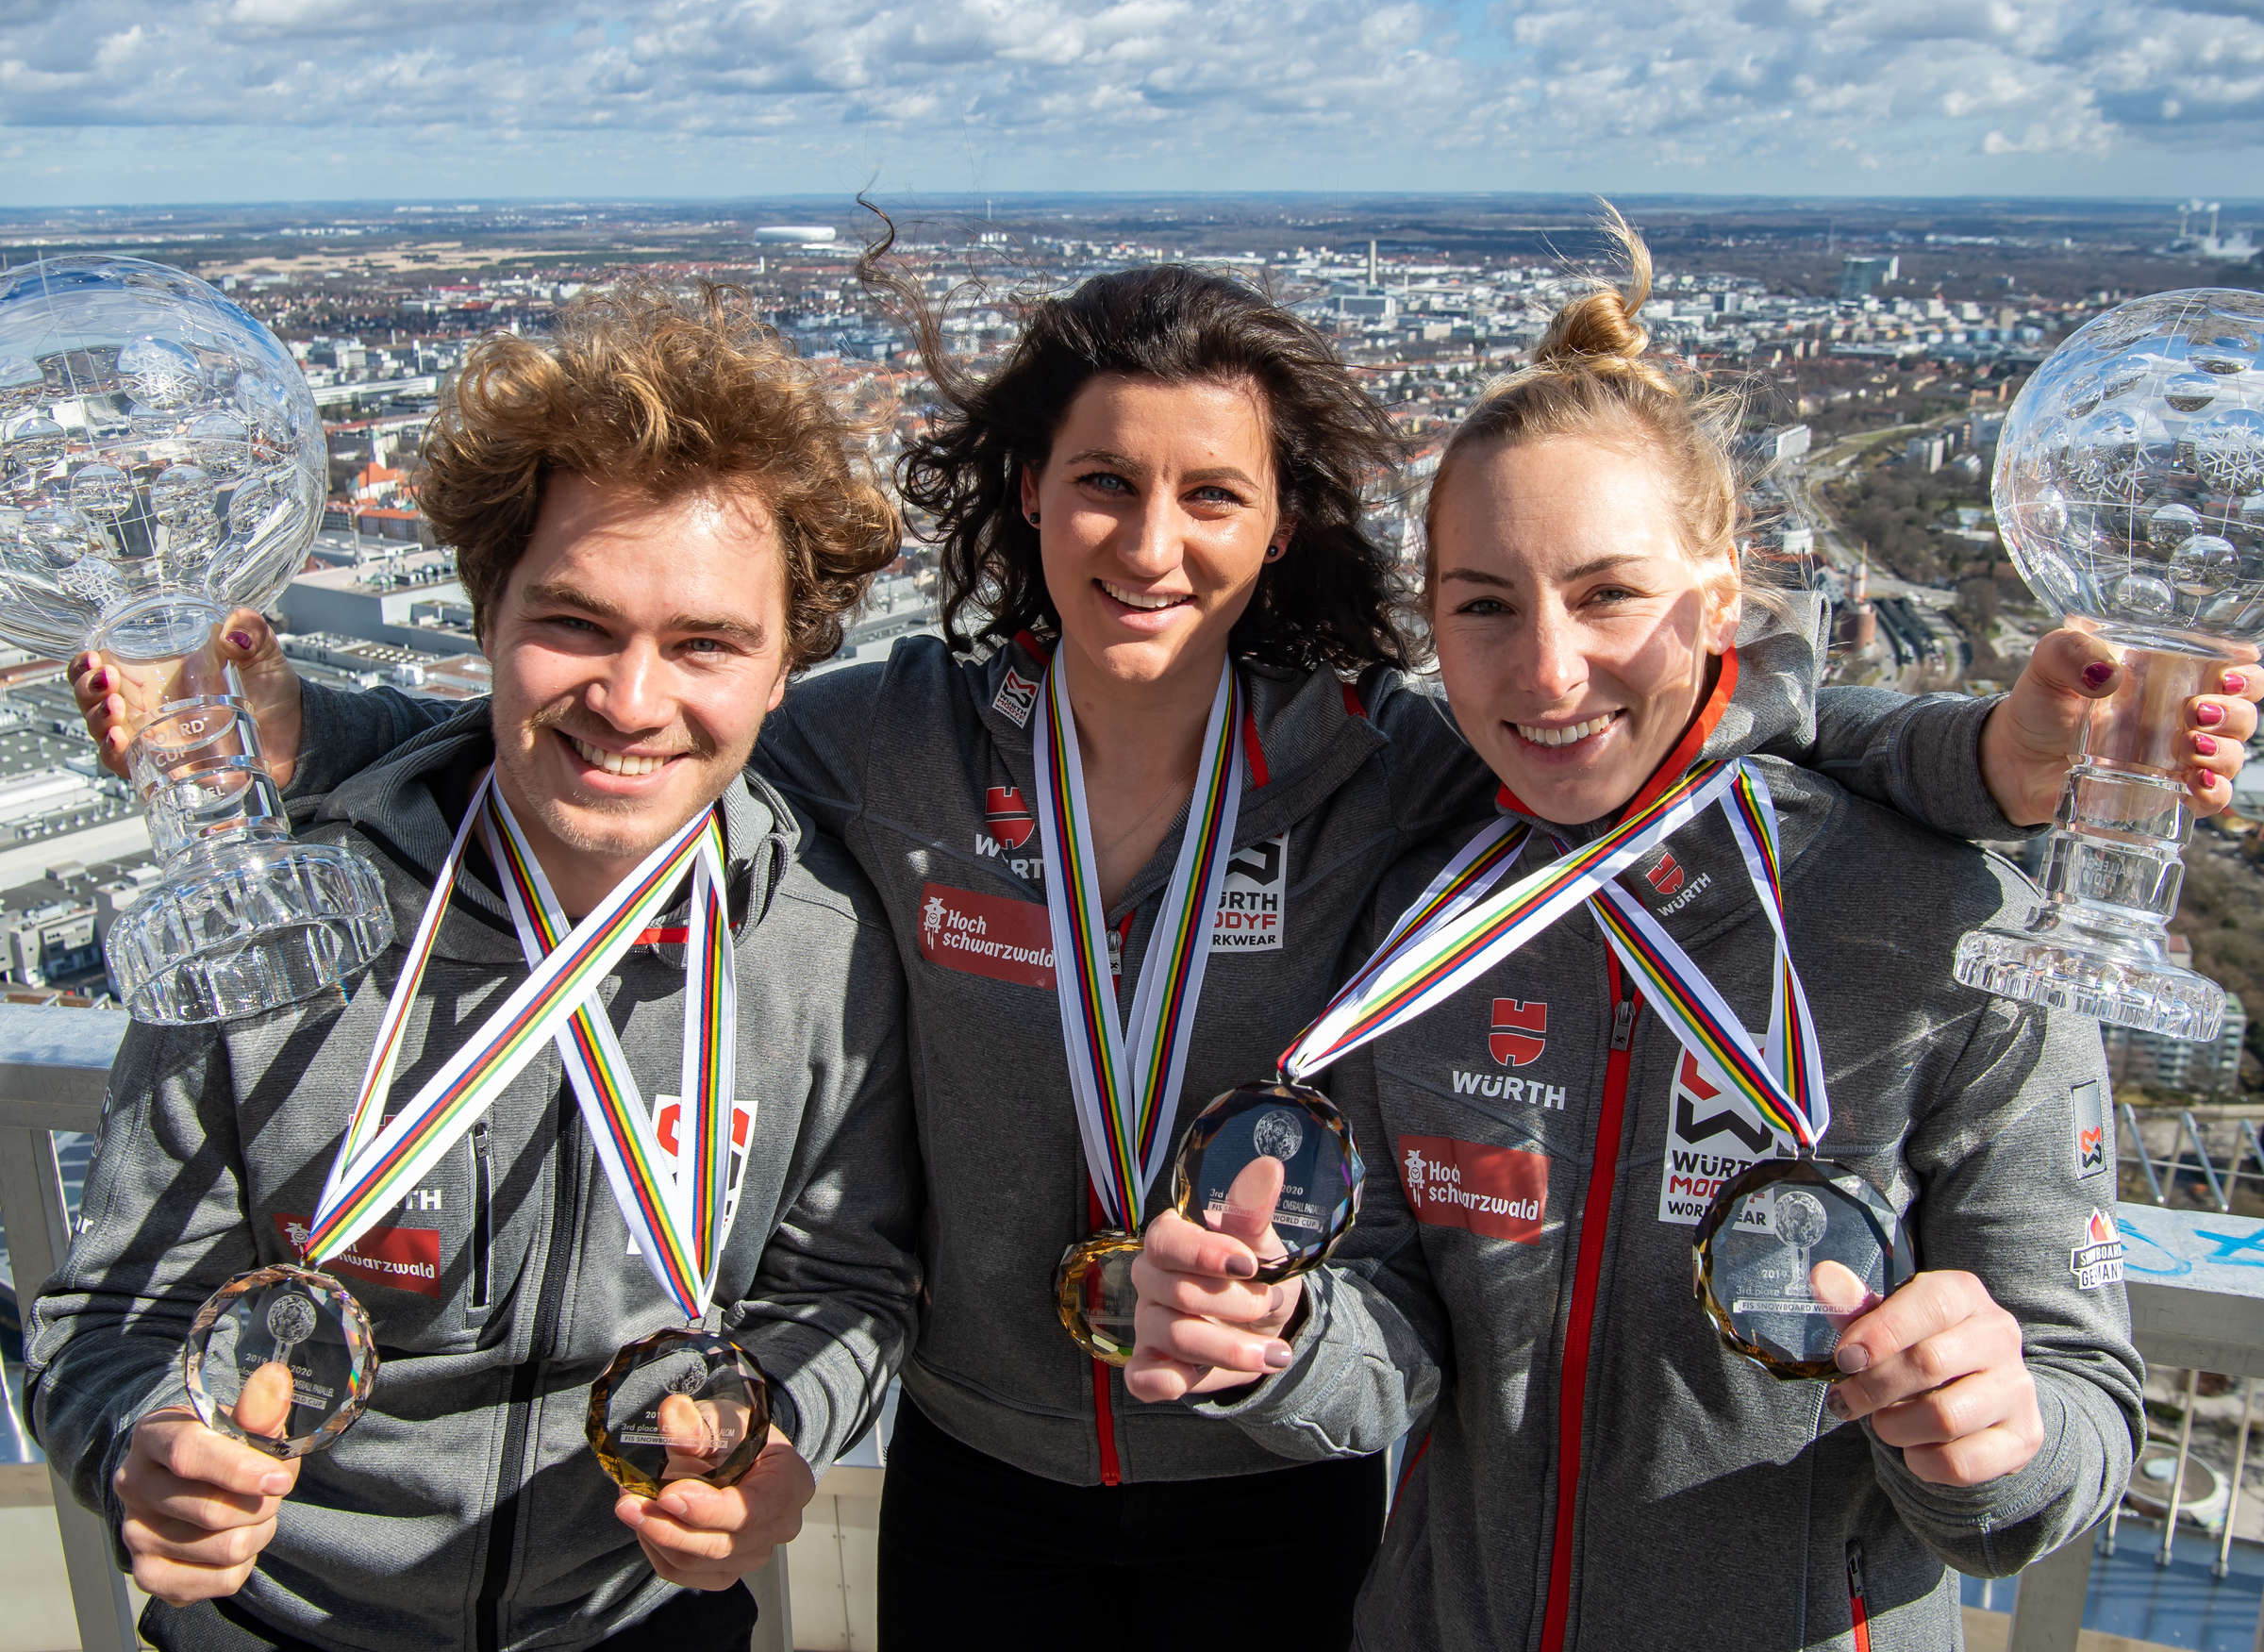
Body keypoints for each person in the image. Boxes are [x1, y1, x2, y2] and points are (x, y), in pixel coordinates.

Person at [73, 240, 2254, 1649]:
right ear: (1022, 494)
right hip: (984, 1467)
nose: (1150, 537)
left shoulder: (1396, 776)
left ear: (1280, 518)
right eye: (1100, 482)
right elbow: (623, 720)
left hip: (1279, 1494)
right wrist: (292, 715)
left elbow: (1680, 725)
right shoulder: (886, 751)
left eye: (1210, 494)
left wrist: (1990, 756)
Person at [1124, 216, 2166, 1650]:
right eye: (1483, 606)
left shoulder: (1951, 925)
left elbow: (2083, 1417)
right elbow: (1399, 1338)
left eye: (1610, 593)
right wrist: (1281, 1339)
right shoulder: (1422, 909)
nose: (1549, 671)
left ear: (1721, 596)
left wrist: (2000, 1437)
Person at [29, 280, 921, 1652]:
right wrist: (144, 1445)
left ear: (786, 665)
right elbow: (111, 1314)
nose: (630, 701)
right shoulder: (286, 920)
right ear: (485, 614)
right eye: (575, 622)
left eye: (706, 645)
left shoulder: (819, 946)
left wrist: (778, 1423)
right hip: (283, 1628)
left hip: (638, 1625)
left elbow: (843, 1288)